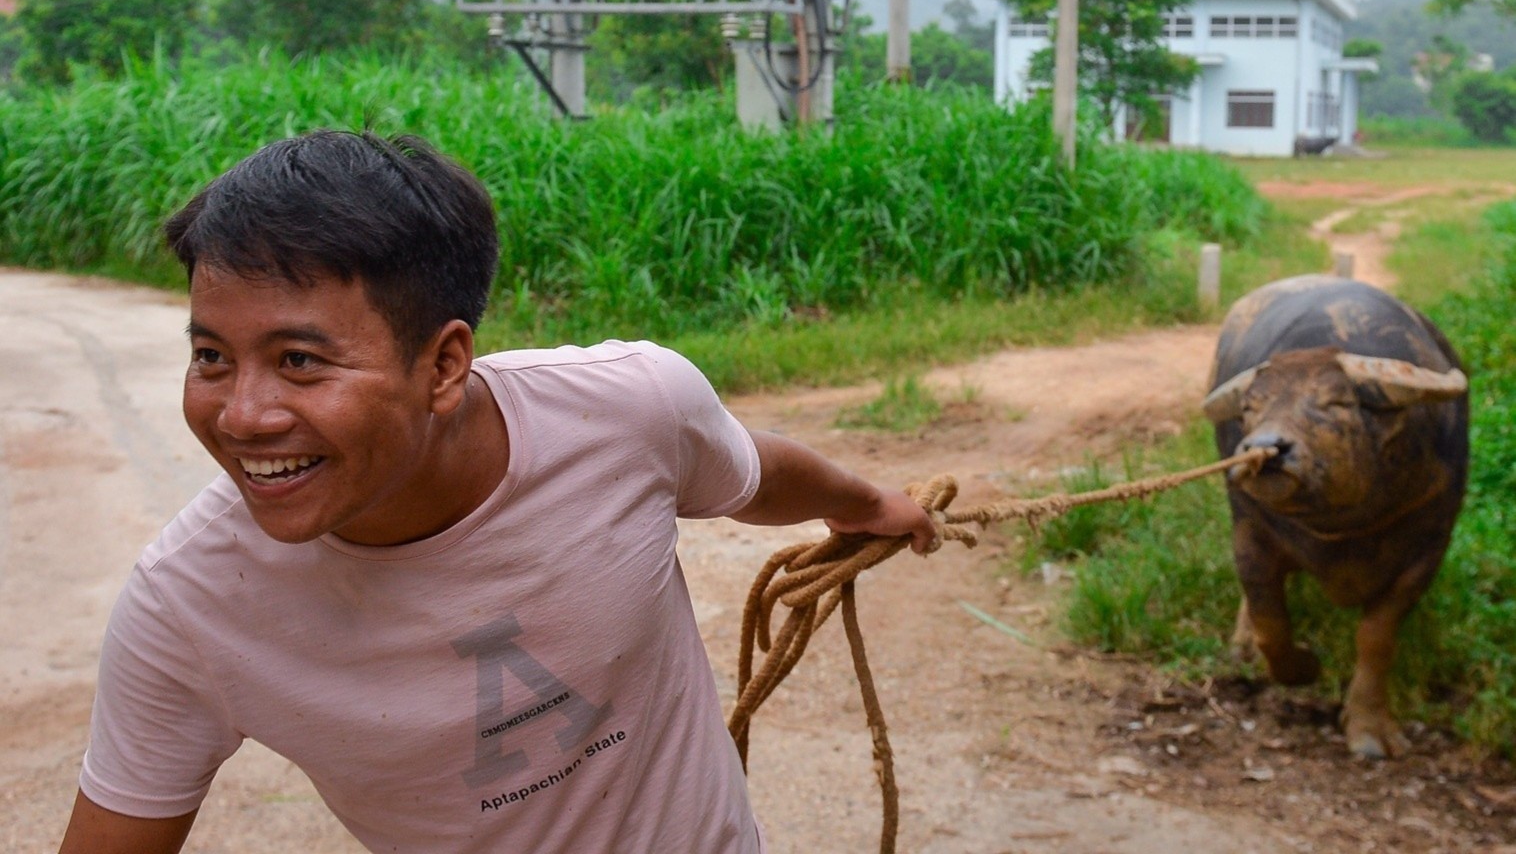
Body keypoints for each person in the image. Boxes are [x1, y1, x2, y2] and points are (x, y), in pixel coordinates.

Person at [57, 129, 937, 854]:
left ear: (444, 365)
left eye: (299, 361)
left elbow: (754, 470)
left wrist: (865, 506)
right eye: (211, 356)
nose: (243, 417)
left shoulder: (629, 410)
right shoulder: (189, 607)